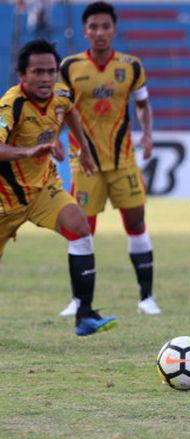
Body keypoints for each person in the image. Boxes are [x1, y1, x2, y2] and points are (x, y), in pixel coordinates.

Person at [0, 39, 117, 336]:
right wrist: (28, 152)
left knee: (78, 226)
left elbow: (71, 110)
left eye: (51, 71)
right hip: (5, 198)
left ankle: (85, 314)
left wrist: (85, 150)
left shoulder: (61, 94)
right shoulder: (11, 103)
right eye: (38, 72)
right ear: (22, 75)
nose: (46, 78)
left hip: (42, 189)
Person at [57, 1, 161, 317]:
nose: (100, 32)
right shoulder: (69, 67)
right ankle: (78, 300)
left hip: (123, 162)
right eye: (93, 27)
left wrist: (147, 133)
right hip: (84, 163)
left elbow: (142, 105)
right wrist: (52, 141)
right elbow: (60, 108)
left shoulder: (130, 66)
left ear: (114, 30)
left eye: (105, 27)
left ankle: (146, 298)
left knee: (136, 223)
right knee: (81, 230)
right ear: (85, 31)